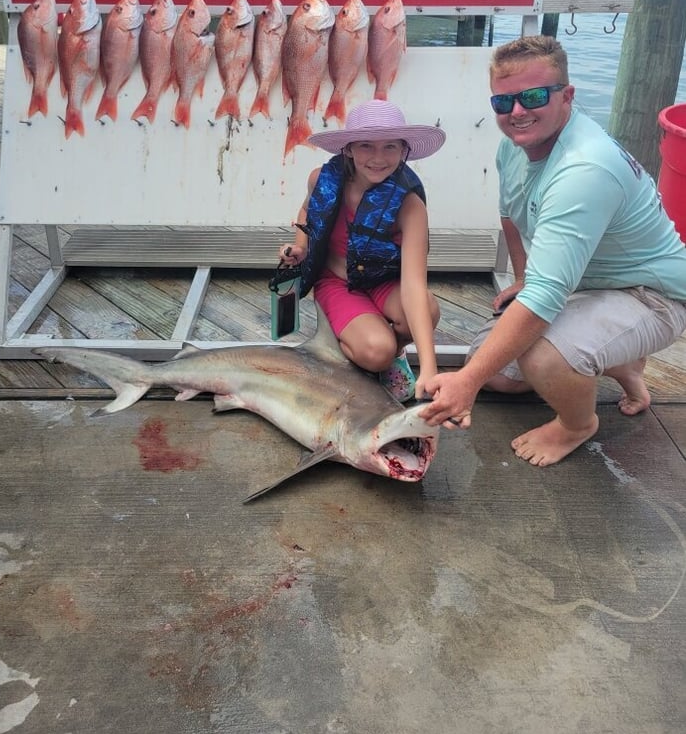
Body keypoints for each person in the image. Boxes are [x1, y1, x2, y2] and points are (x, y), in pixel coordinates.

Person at [421, 34, 686, 464]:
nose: (517, 113)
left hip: (653, 296)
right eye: (503, 103)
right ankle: (623, 365)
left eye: (533, 96)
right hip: (589, 284)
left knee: (543, 357)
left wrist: (465, 382)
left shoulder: (584, 169)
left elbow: (544, 301)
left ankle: (577, 425)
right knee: (499, 372)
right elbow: (510, 213)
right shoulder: (515, 146)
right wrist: (523, 277)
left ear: (568, 96)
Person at [278, 99, 446, 403]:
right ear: (349, 149)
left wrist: (430, 368)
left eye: (390, 147)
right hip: (336, 281)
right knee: (375, 351)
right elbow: (306, 211)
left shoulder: (410, 206)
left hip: (383, 281)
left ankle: (395, 353)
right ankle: (353, 347)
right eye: (366, 146)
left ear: (404, 150)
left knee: (427, 310)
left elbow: (413, 286)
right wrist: (300, 246)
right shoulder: (321, 179)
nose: (378, 158)